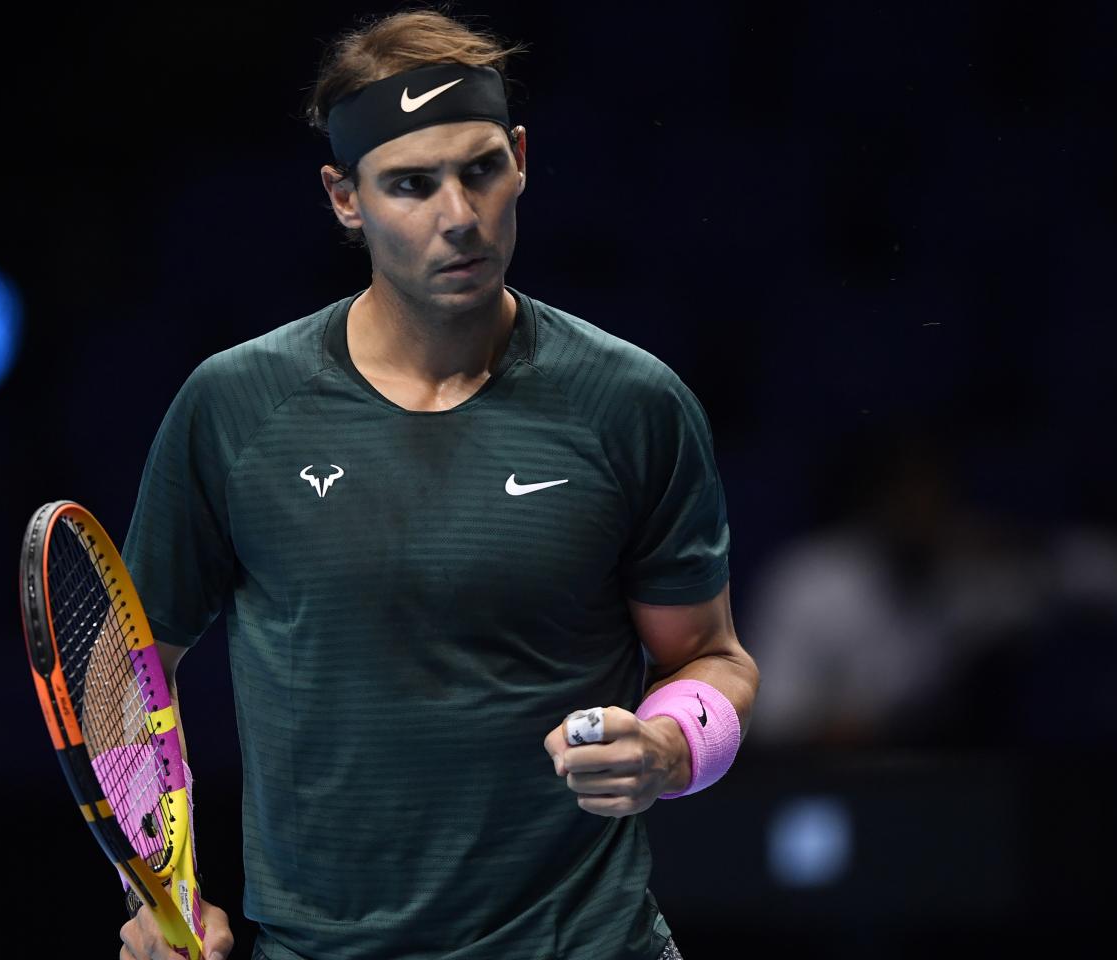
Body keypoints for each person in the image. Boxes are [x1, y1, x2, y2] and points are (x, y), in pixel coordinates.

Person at [115, 10, 758, 960]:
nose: (459, 214)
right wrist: (156, 902)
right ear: (344, 198)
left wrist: (668, 750)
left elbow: (713, 661)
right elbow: (126, 687)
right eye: (411, 185)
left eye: (481, 169)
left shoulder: (631, 403)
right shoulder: (234, 408)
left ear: (523, 158)